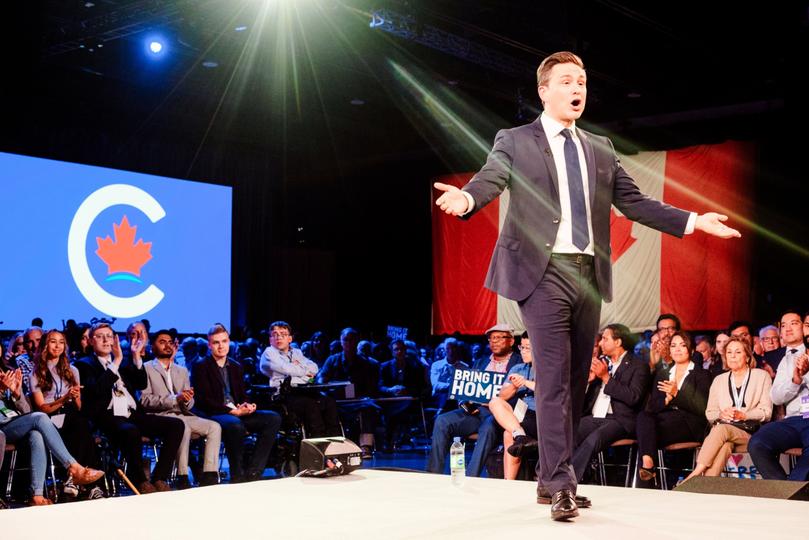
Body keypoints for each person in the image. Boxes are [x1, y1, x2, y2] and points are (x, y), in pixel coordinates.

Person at [433, 50, 740, 520]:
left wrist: (695, 220)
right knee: (554, 377)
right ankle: (561, 482)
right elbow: (491, 179)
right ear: (544, 90)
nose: (577, 89)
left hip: (588, 274)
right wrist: (468, 196)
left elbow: (634, 203)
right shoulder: (515, 139)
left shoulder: (599, 146)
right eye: (567, 81)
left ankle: (546, 478)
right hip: (542, 271)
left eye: (582, 82)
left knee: (575, 382)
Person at [75, 322, 185, 494]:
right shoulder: (84, 365)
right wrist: (115, 363)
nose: (105, 340)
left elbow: (141, 383)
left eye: (109, 336)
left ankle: (159, 477)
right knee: (130, 431)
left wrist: (136, 357)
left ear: (115, 340)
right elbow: (97, 391)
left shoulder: (125, 361)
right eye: (100, 336)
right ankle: (139, 480)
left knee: (176, 425)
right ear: (90, 341)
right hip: (107, 416)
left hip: (132, 413)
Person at [1, 365, 104, 505]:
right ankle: (73, 467)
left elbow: (25, 412)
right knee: (40, 417)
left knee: (36, 435)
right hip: (2, 427)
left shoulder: (7, 374)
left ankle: (36, 495)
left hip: (14, 423)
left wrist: (17, 394)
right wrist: (1, 390)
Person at [191, 323, 281, 483]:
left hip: (236, 412)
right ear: (210, 344)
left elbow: (241, 395)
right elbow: (204, 400)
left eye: (224, 341)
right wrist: (231, 411)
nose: (221, 346)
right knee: (234, 424)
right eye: (216, 342)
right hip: (214, 413)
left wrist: (247, 405)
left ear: (229, 341)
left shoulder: (236, 366)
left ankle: (254, 471)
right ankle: (237, 474)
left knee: (273, 418)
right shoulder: (200, 366)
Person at [140, 329, 222, 488]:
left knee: (214, 426)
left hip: (182, 414)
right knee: (181, 426)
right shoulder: (146, 368)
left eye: (170, 342)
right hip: (160, 416)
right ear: (152, 346)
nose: (167, 345)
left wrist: (187, 399)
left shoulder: (182, 370)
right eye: (162, 342)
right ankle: (182, 475)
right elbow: (144, 400)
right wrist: (174, 399)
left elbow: (189, 404)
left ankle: (209, 474)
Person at [682, 337, 772, 481]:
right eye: (729, 352)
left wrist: (744, 415)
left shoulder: (761, 376)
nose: (733, 356)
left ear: (747, 356)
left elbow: (766, 412)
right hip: (726, 434)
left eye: (737, 352)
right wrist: (721, 414)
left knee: (721, 429)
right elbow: (710, 413)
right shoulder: (719, 380)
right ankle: (706, 486)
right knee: (725, 445)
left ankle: (695, 473)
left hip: (751, 434)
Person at [29, 329, 104, 498]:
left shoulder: (72, 370)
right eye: (53, 341)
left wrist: (76, 397)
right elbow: (42, 408)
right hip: (49, 418)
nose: (57, 346)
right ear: (45, 346)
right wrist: (64, 399)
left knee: (81, 424)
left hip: (71, 415)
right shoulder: (36, 373)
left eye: (61, 342)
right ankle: (87, 483)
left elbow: (78, 406)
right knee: (79, 424)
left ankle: (79, 482)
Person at [634, 332, 711, 483]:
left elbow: (702, 408)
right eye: (673, 346)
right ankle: (648, 464)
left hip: (690, 423)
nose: (677, 349)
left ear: (691, 350)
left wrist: (676, 394)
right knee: (643, 417)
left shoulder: (702, 374)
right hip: (666, 420)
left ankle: (648, 478)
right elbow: (654, 406)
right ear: (669, 350)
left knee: (646, 435)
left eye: (682, 345)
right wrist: (666, 400)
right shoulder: (663, 373)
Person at [748, 310, 809, 480]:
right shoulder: (784, 359)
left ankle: (793, 491)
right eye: (783, 325)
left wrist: (806, 373)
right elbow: (775, 397)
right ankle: (784, 490)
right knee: (758, 442)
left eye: (794, 323)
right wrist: (795, 381)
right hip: (792, 420)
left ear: (804, 328)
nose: (788, 328)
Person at [259, 321, 341, 438]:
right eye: (275, 334)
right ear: (270, 339)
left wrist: (299, 371)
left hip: (303, 391)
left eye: (283, 334)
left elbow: (314, 368)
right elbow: (286, 369)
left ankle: (335, 439)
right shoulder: (269, 353)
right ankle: (318, 442)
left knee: (329, 402)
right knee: (310, 405)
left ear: (290, 339)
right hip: (283, 396)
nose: (279, 337)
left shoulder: (296, 352)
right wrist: (303, 371)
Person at [488, 333, 538, 481]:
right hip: (519, 415)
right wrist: (514, 387)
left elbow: (551, 391)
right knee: (494, 402)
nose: (523, 351)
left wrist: (526, 383)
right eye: (521, 347)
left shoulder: (548, 368)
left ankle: (508, 482)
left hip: (541, 415)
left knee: (508, 434)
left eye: (527, 348)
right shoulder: (518, 368)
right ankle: (520, 435)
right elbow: (502, 395)